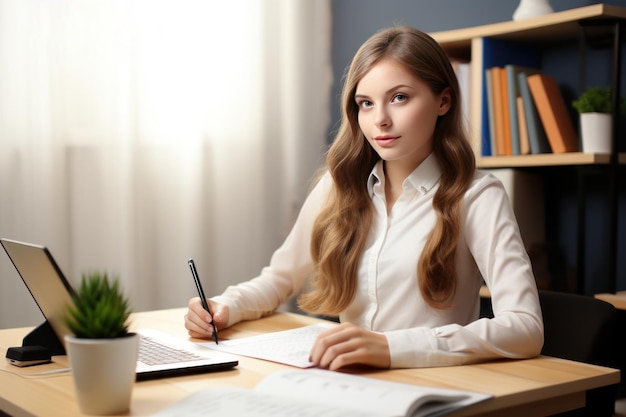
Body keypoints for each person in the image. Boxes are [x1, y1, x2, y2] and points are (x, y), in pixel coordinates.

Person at [185, 26, 544, 370]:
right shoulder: (337, 187)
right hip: (348, 381)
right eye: (366, 103)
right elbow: (278, 280)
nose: (380, 120)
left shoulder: (477, 196)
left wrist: (392, 348)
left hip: (432, 384)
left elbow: (525, 328)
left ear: (443, 101)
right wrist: (223, 307)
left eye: (399, 98)